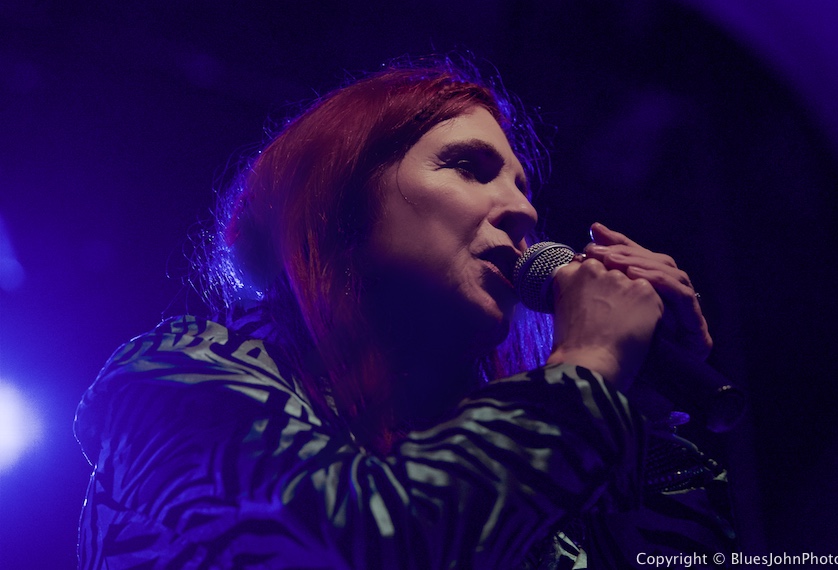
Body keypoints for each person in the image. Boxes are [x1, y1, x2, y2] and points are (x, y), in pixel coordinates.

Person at [75, 56, 735, 568]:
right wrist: (588, 371)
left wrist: (650, 417)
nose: (524, 211)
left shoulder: (529, 459)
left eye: (521, 185)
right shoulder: (169, 382)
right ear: (337, 202)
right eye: (469, 167)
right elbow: (369, 546)